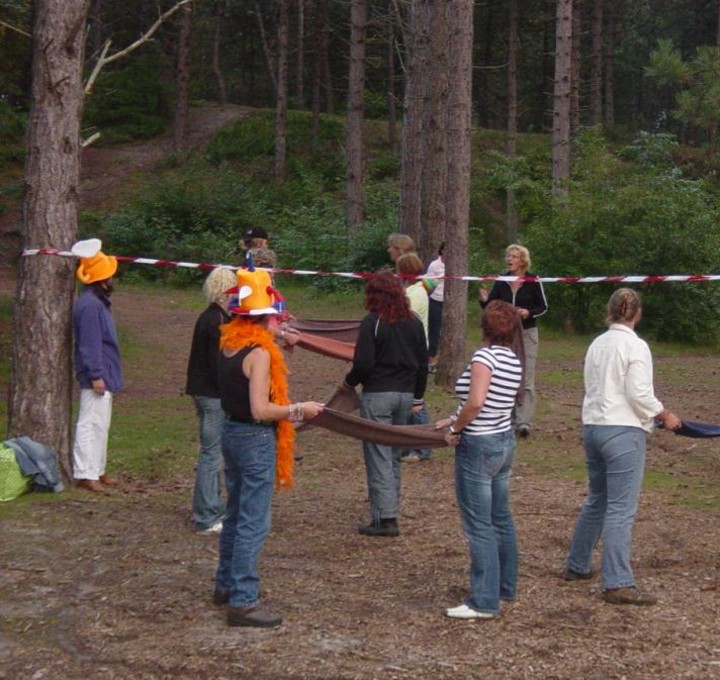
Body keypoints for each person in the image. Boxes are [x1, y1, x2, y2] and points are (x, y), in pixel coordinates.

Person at [214, 266, 323, 628]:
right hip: (254, 437)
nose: (282, 320)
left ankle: (226, 585)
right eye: (277, 316)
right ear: (264, 317)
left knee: (234, 513)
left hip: (230, 431)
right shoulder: (259, 354)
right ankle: (243, 601)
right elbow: (261, 409)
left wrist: (280, 342)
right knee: (252, 521)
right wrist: (299, 409)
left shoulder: (231, 342)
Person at [565, 288, 681, 606]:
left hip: (594, 426)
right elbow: (638, 392)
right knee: (620, 508)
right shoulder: (635, 346)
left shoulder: (597, 344)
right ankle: (617, 581)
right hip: (622, 430)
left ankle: (578, 563)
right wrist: (664, 414)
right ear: (637, 313)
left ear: (611, 311)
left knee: (598, 499)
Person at [436, 300, 523, 620]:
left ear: (485, 327)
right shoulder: (513, 359)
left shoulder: (484, 356)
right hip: (503, 440)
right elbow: (490, 403)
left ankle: (484, 601)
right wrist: (453, 417)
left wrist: (457, 428)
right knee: (501, 518)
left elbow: (476, 402)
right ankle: (505, 587)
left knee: (479, 523)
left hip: (479, 445)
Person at [343, 270, 428, 537]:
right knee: (392, 455)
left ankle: (385, 518)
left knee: (378, 456)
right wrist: (417, 397)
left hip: (378, 394)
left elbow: (363, 363)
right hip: (404, 396)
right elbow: (423, 363)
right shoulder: (414, 322)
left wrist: (349, 383)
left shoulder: (372, 322)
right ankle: (389, 509)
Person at [185, 267, 236, 534]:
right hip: (212, 395)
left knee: (213, 451)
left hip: (206, 392)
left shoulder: (214, 317)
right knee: (212, 453)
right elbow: (220, 365)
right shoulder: (216, 321)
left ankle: (212, 506)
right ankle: (206, 514)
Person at [70, 238, 123, 493]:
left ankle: (97, 469)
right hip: (97, 374)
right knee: (90, 422)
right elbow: (89, 344)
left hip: (104, 371)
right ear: (103, 279)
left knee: (101, 423)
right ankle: (85, 472)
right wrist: (95, 374)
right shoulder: (90, 306)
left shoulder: (95, 303)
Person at [479, 244, 547, 437]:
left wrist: (529, 312)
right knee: (504, 373)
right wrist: (484, 300)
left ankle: (523, 421)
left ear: (523, 260)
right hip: (505, 334)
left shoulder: (533, 280)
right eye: (508, 256)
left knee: (526, 375)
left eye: (514, 256)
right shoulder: (501, 280)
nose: (510, 259)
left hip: (527, 332)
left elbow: (543, 306)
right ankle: (505, 419)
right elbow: (491, 306)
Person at [396, 252, 431, 463]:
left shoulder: (413, 294)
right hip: (412, 348)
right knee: (411, 399)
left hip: (413, 351)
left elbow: (405, 319)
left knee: (417, 402)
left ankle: (423, 447)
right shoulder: (414, 291)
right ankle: (410, 444)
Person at [426, 242, 445, 373]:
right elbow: (427, 285)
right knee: (434, 332)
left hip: (449, 303)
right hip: (436, 300)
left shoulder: (457, 265)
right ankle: (431, 360)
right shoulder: (434, 265)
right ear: (441, 251)